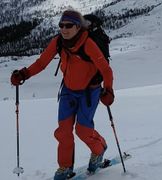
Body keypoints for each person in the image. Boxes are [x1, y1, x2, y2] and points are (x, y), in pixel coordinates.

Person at [10, 9, 114, 180]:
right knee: (63, 131)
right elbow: (42, 62)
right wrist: (24, 74)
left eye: (69, 26)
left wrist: (108, 90)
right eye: (61, 25)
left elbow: (106, 70)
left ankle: (99, 149)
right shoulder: (58, 41)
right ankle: (65, 167)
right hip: (68, 91)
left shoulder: (88, 44)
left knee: (82, 130)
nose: (64, 29)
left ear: (78, 27)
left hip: (90, 91)